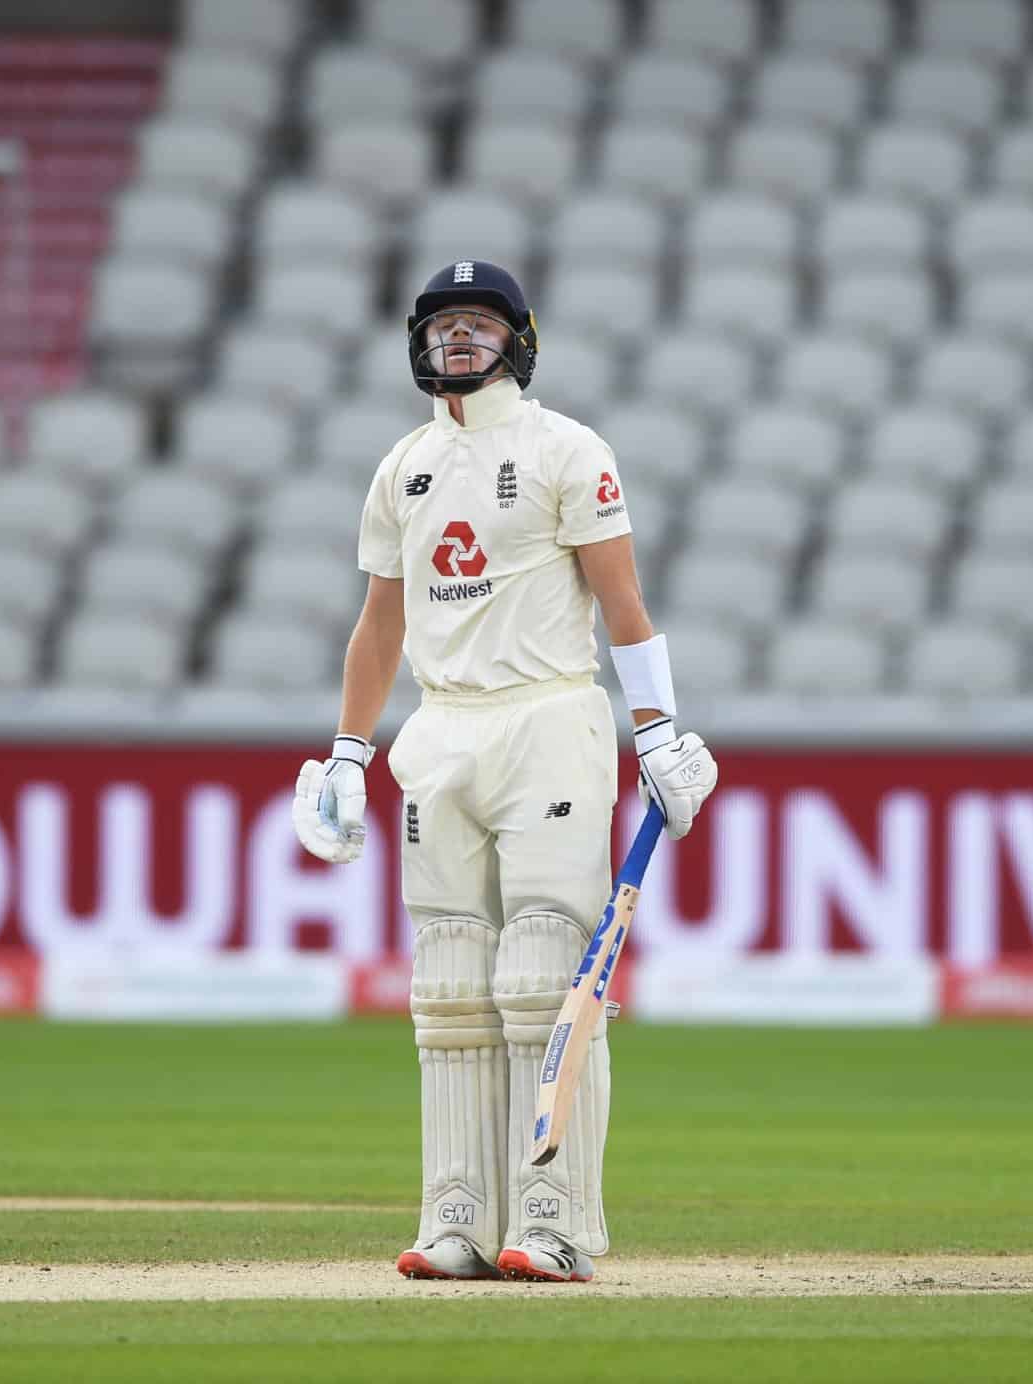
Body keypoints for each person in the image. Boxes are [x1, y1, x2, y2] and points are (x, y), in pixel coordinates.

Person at [290, 259, 719, 1283]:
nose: (459, 342)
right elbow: (379, 622)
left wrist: (656, 731)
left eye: (479, 325)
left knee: (540, 975)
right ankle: (459, 1217)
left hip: (550, 720)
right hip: (440, 732)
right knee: (446, 985)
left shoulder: (568, 450)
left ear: (518, 340)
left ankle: (553, 1217)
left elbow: (623, 604)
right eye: (443, 328)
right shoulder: (404, 465)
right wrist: (348, 753)